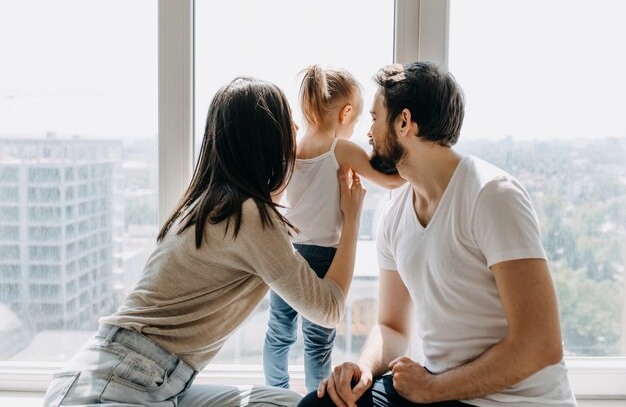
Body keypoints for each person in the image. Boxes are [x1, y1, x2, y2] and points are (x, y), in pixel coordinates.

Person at [42, 76, 366, 407]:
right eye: (287, 125)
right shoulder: (250, 216)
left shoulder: (209, 204)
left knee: (282, 402)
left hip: (139, 375)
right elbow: (328, 309)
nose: (296, 129)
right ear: (266, 143)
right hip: (114, 386)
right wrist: (351, 217)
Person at [298, 61, 577, 407]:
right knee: (320, 404)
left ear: (403, 122)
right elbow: (393, 328)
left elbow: (540, 343)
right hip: (438, 391)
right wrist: (364, 367)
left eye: (374, 118)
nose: (367, 133)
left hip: (516, 401)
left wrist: (434, 388)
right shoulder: (393, 210)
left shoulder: (492, 195)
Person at [263, 65, 404, 394]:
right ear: (346, 112)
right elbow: (387, 179)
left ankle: (275, 394)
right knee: (317, 341)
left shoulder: (291, 147)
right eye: (356, 121)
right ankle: (316, 397)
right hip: (324, 257)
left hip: (285, 253)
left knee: (278, 331)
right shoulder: (341, 150)